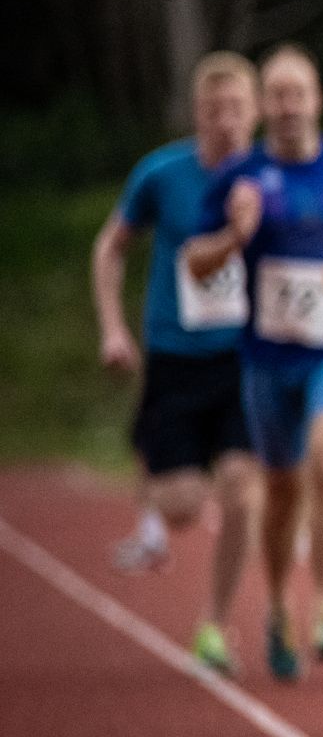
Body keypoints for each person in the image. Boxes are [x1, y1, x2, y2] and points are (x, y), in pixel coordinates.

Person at [183, 44, 323, 683]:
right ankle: (275, 605)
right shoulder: (241, 176)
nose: (290, 106)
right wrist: (235, 237)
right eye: (278, 95)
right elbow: (195, 262)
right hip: (268, 356)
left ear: (317, 99)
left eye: (299, 94)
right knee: (282, 488)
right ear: (264, 105)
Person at [92, 53, 264, 670]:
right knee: (183, 507)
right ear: (196, 114)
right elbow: (111, 247)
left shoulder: (267, 177)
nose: (225, 121)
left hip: (244, 358)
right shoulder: (162, 173)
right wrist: (114, 328)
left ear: (255, 111)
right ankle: (165, 472)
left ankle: (215, 623)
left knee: (242, 489)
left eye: (236, 108)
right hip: (175, 354)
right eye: (213, 110)